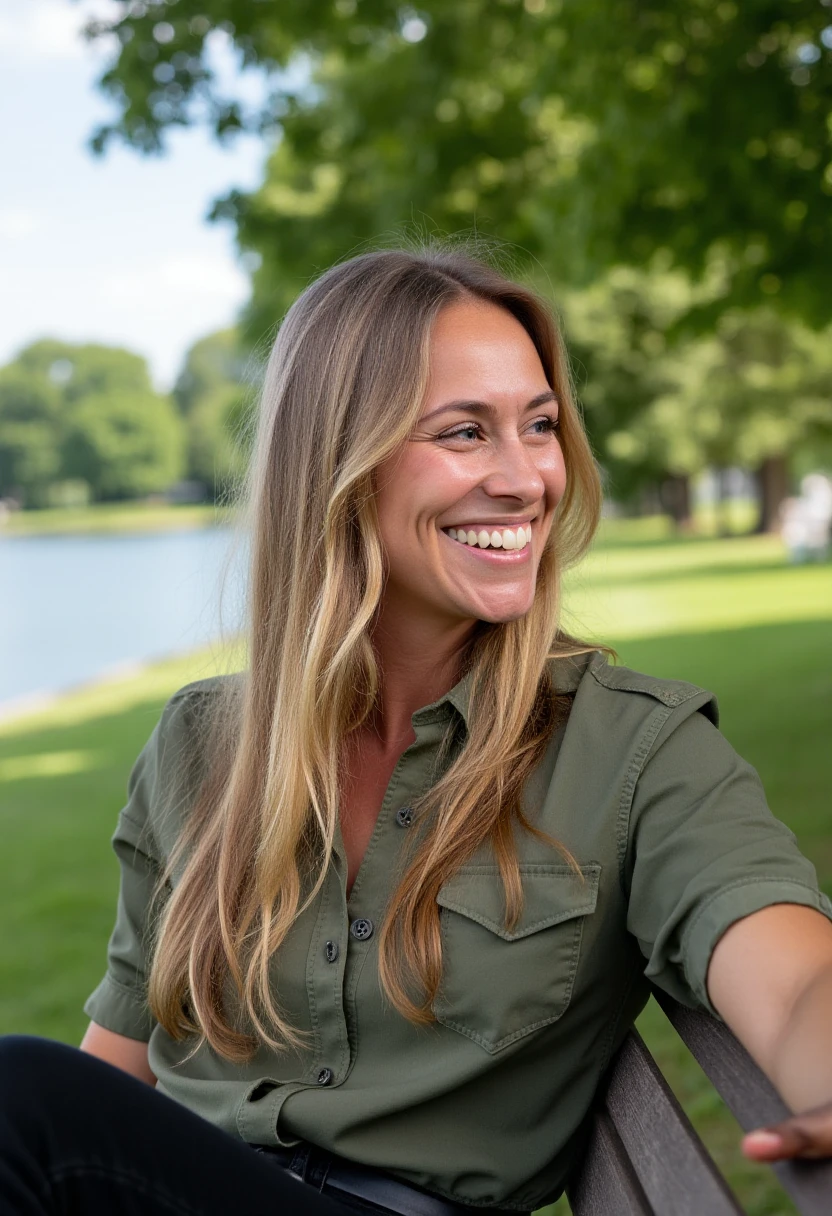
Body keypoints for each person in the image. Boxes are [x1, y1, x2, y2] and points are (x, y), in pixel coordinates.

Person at [2, 246, 832, 1216]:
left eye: (539, 426)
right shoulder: (198, 746)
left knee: (20, 1096)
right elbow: (120, 1065)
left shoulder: (633, 749)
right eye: (465, 432)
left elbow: (791, 970)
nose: (526, 479)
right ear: (337, 464)